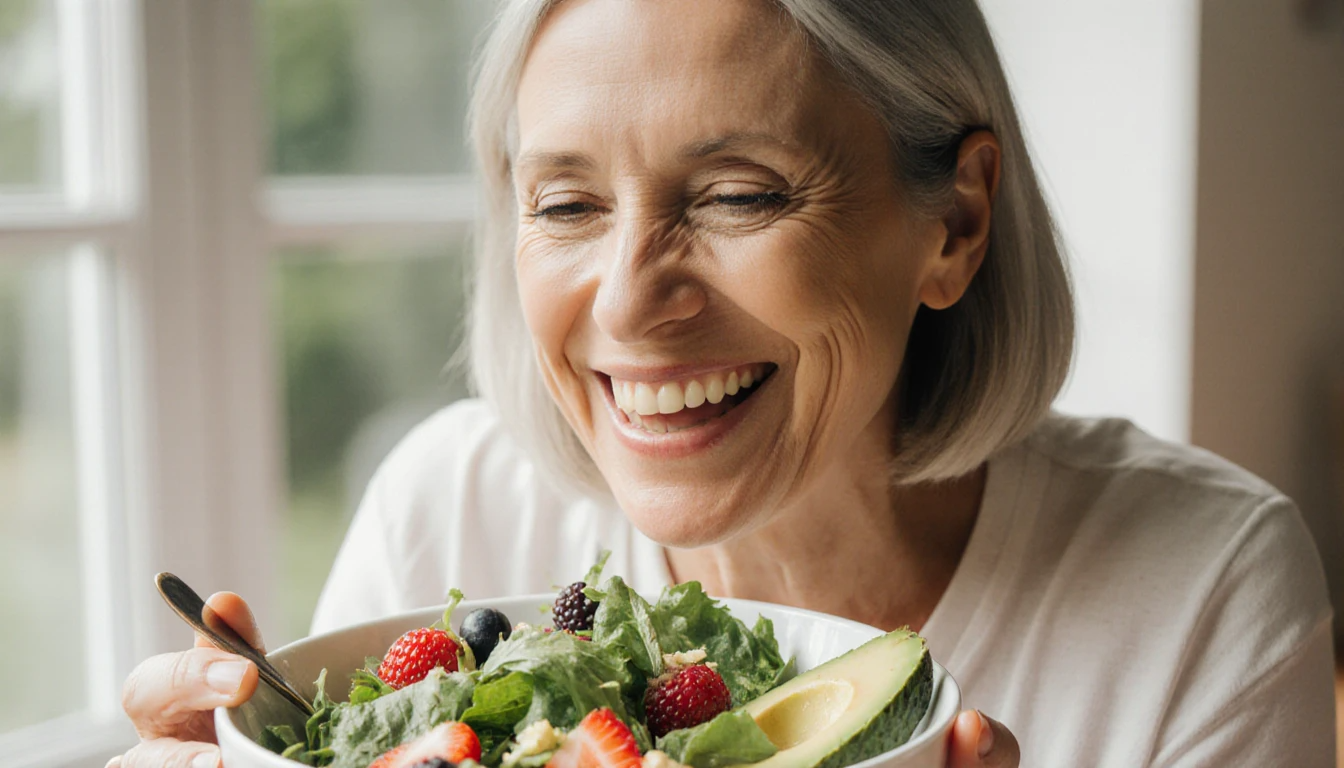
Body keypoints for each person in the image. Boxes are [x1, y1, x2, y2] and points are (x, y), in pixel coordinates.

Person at [111, 0, 1336, 766]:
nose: (632, 300)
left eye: (740, 195)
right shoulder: (450, 507)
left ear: (955, 224)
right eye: (568, 204)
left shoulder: (1201, 594)